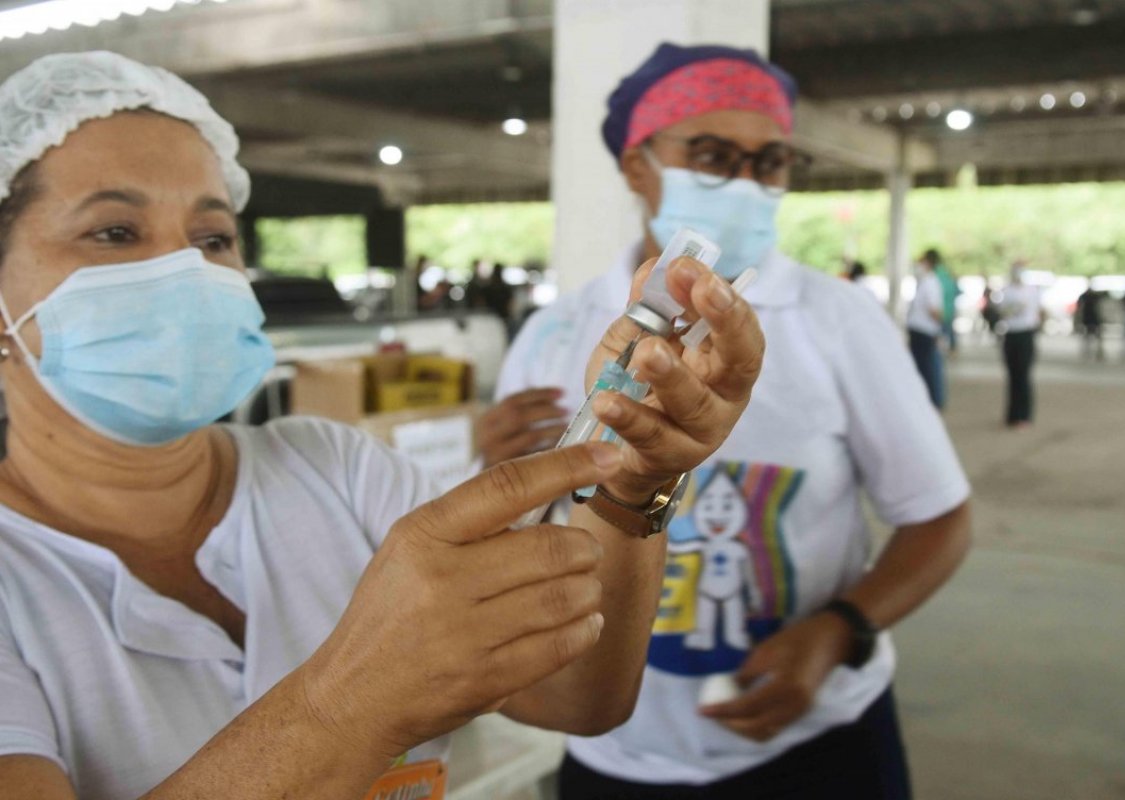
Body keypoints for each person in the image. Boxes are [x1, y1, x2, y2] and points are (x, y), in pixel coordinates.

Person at [0, 52, 766, 799]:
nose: (187, 272)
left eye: (212, 239)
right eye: (113, 233)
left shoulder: (329, 467)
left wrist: (632, 486)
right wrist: (352, 700)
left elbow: (573, 700)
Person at [482, 42, 972, 800]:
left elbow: (939, 518)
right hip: (618, 749)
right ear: (636, 165)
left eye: (769, 162)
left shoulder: (836, 321)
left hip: (816, 745)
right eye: (711, 155)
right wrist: (494, 474)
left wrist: (840, 628)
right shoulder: (558, 336)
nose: (744, 183)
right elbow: (519, 533)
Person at [999, 260, 1042, 428]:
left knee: (1023, 376)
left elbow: (1038, 312)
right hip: (1011, 334)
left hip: (1026, 334)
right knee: (1012, 376)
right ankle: (1012, 414)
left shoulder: (1032, 291)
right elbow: (1003, 312)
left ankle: (1024, 415)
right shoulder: (1007, 290)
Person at [907, 255, 946, 409]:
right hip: (919, 331)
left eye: (920, 262)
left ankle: (933, 402)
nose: (917, 265)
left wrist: (939, 330)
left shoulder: (930, 283)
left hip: (925, 332)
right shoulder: (923, 282)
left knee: (928, 369)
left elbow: (934, 310)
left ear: (928, 264)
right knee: (924, 367)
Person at [924, 249, 960, 355]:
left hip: (938, 312)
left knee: (936, 343)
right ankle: (952, 350)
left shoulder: (932, 276)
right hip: (948, 310)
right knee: (948, 334)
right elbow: (956, 291)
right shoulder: (946, 272)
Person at [1076, 279, 1105, 362]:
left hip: (1092, 318)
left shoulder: (1090, 296)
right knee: (1090, 337)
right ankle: (1091, 352)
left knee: (1093, 337)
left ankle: (1095, 353)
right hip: (1089, 318)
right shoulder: (1087, 296)